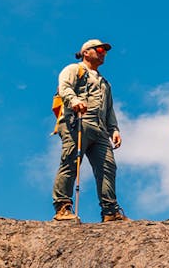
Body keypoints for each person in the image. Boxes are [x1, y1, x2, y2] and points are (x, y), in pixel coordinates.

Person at [52, 38, 127, 222]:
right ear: (86, 52)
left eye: (105, 51)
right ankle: (62, 207)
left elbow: (109, 109)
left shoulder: (105, 82)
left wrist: (114, 129)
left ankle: (110, 211)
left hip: (100, 128)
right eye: (99, 49)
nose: (103, 53)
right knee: (71, 161)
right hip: (77, 121)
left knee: (107, 166)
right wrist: (74, 100)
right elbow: (64, 87)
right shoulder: (74, 69)